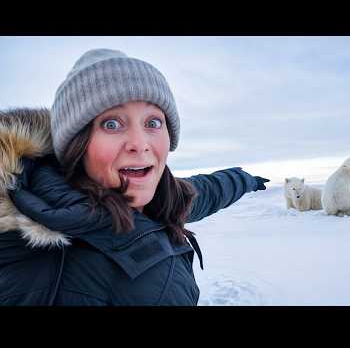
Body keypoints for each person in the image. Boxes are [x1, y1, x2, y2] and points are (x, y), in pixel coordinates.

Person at [0, 48, 269, 305]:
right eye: (112, 124)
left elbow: (203, 191)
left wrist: (243, 179)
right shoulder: (34, 261)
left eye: (153, 122)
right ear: (76, 145)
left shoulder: (160, 200)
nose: (139, 144)